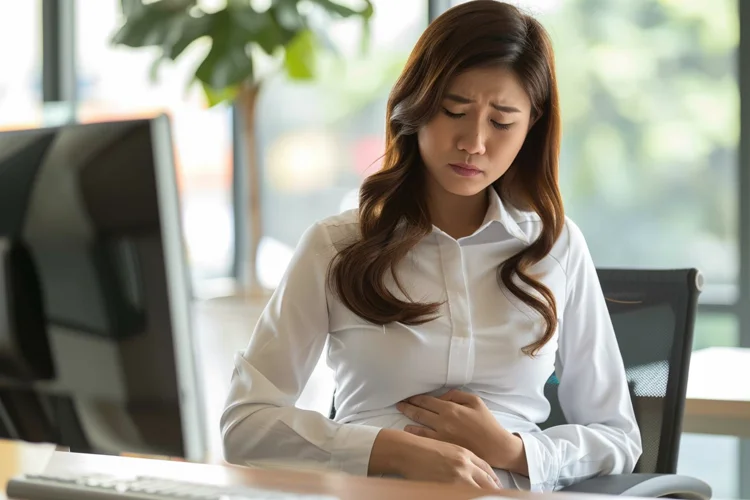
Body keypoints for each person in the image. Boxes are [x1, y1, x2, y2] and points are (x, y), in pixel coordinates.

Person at [221, 0, 642, 492]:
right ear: (415, 107)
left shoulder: (556, 246)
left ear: (531, 126)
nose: (474, 142)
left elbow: (618, 437)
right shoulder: (336, 246)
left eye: (502, 121)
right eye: (454, 111)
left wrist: (512, 449)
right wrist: (386, 449)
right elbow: (245, 425)